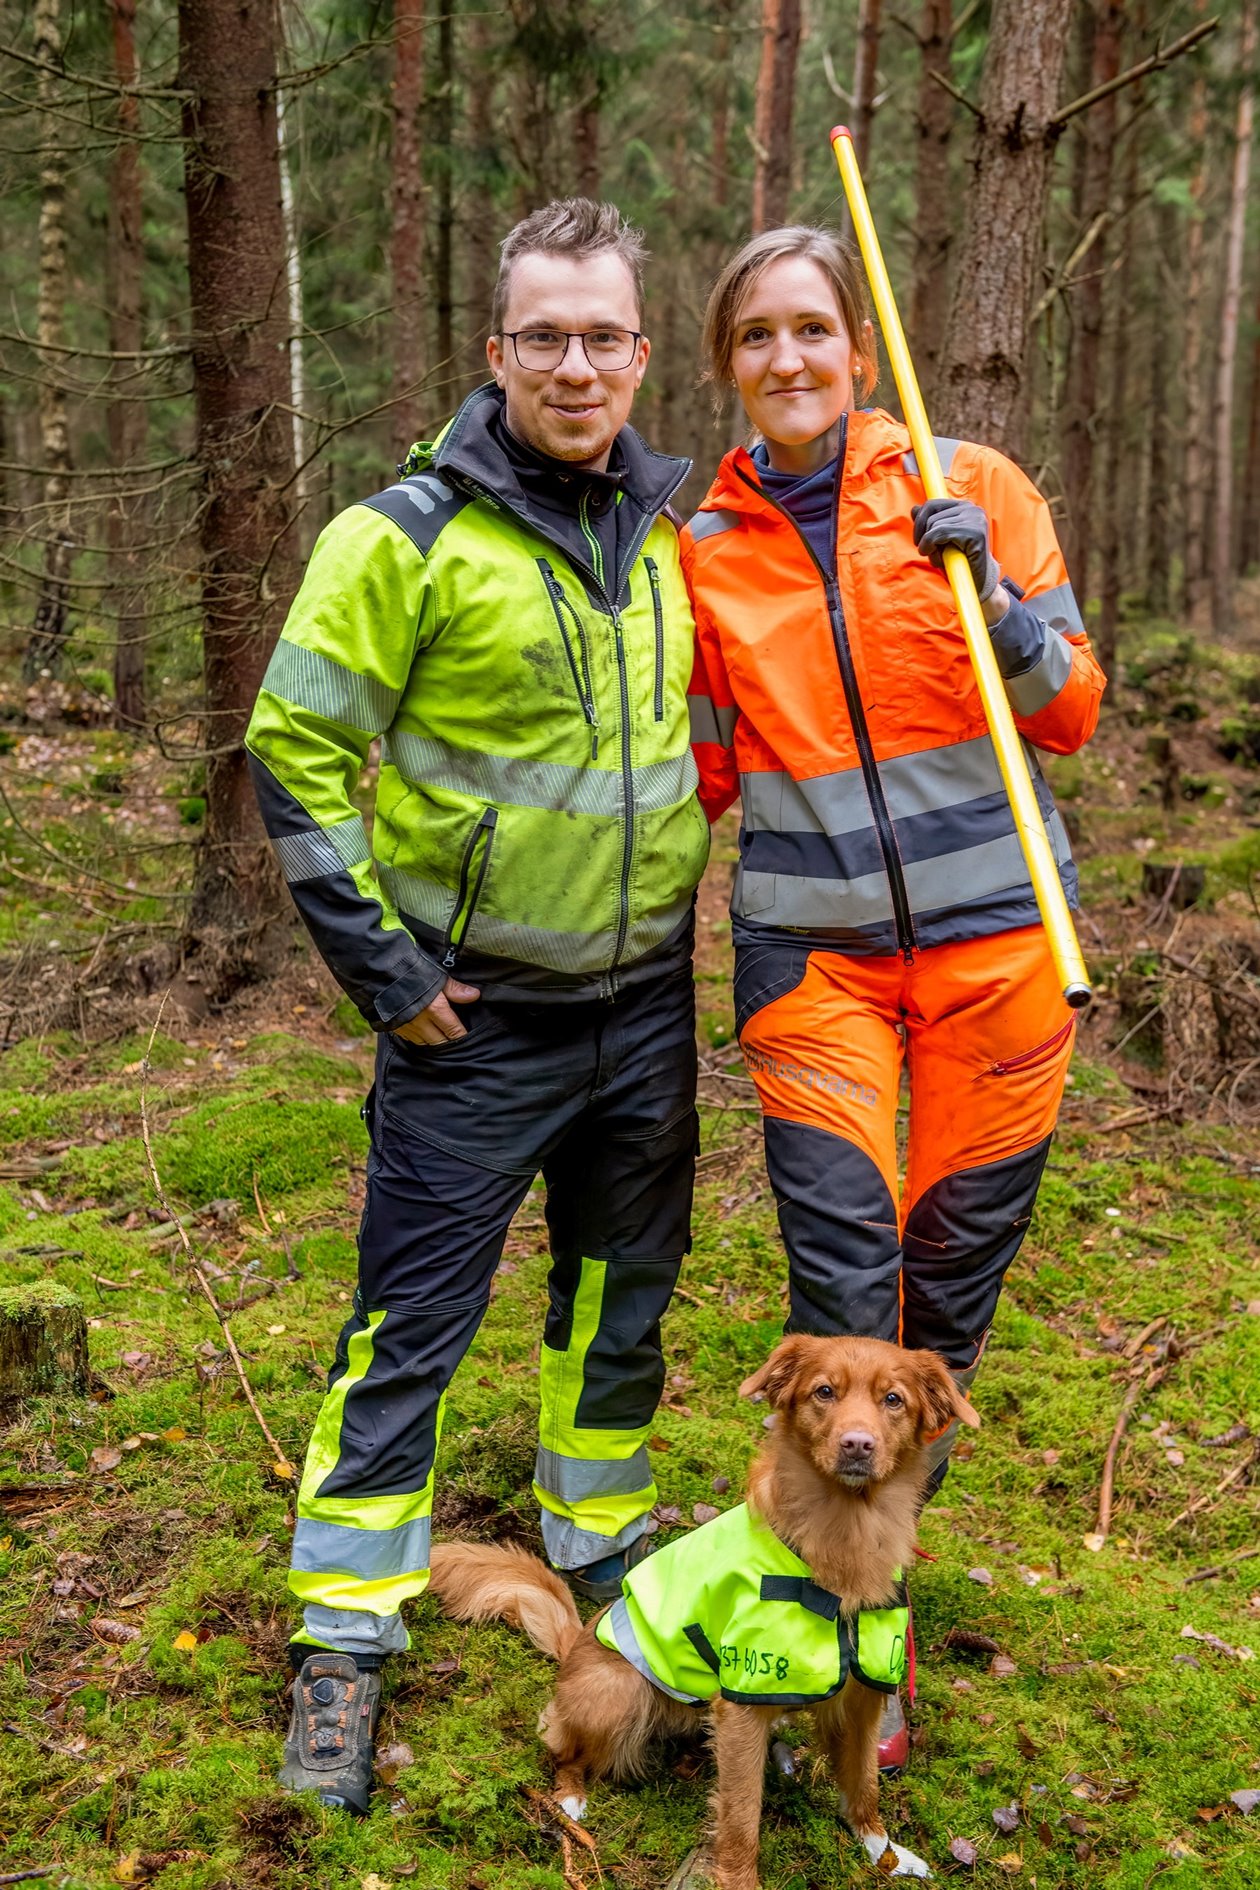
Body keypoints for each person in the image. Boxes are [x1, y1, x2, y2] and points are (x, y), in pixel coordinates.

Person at [245, 198, 711, 1813]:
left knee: (621, 1301)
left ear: (641, 356)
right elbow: (290, 753)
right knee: (410, 1332)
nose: (576, 363)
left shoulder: (669, 531)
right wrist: (389, 973)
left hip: (644, 1007)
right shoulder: (404, 534)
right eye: (545, 336)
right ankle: (344, 1640)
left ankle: (599, 1538)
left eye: (603, 336)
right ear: (496, 350)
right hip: (473, 1022)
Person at [682, 226, 1104, 1770]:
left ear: (857, 348)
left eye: (813, 329)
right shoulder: (702, 546)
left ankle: (880, 1595)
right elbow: (703, 770)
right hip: (817, 965)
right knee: (847, 1275)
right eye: (756, 337)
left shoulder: (972, 482)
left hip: (1002, 947)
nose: (788, 359)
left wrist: (985, 589)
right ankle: (823, 1631)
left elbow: (1070, 709)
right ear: (728, 363)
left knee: (950, 1288)